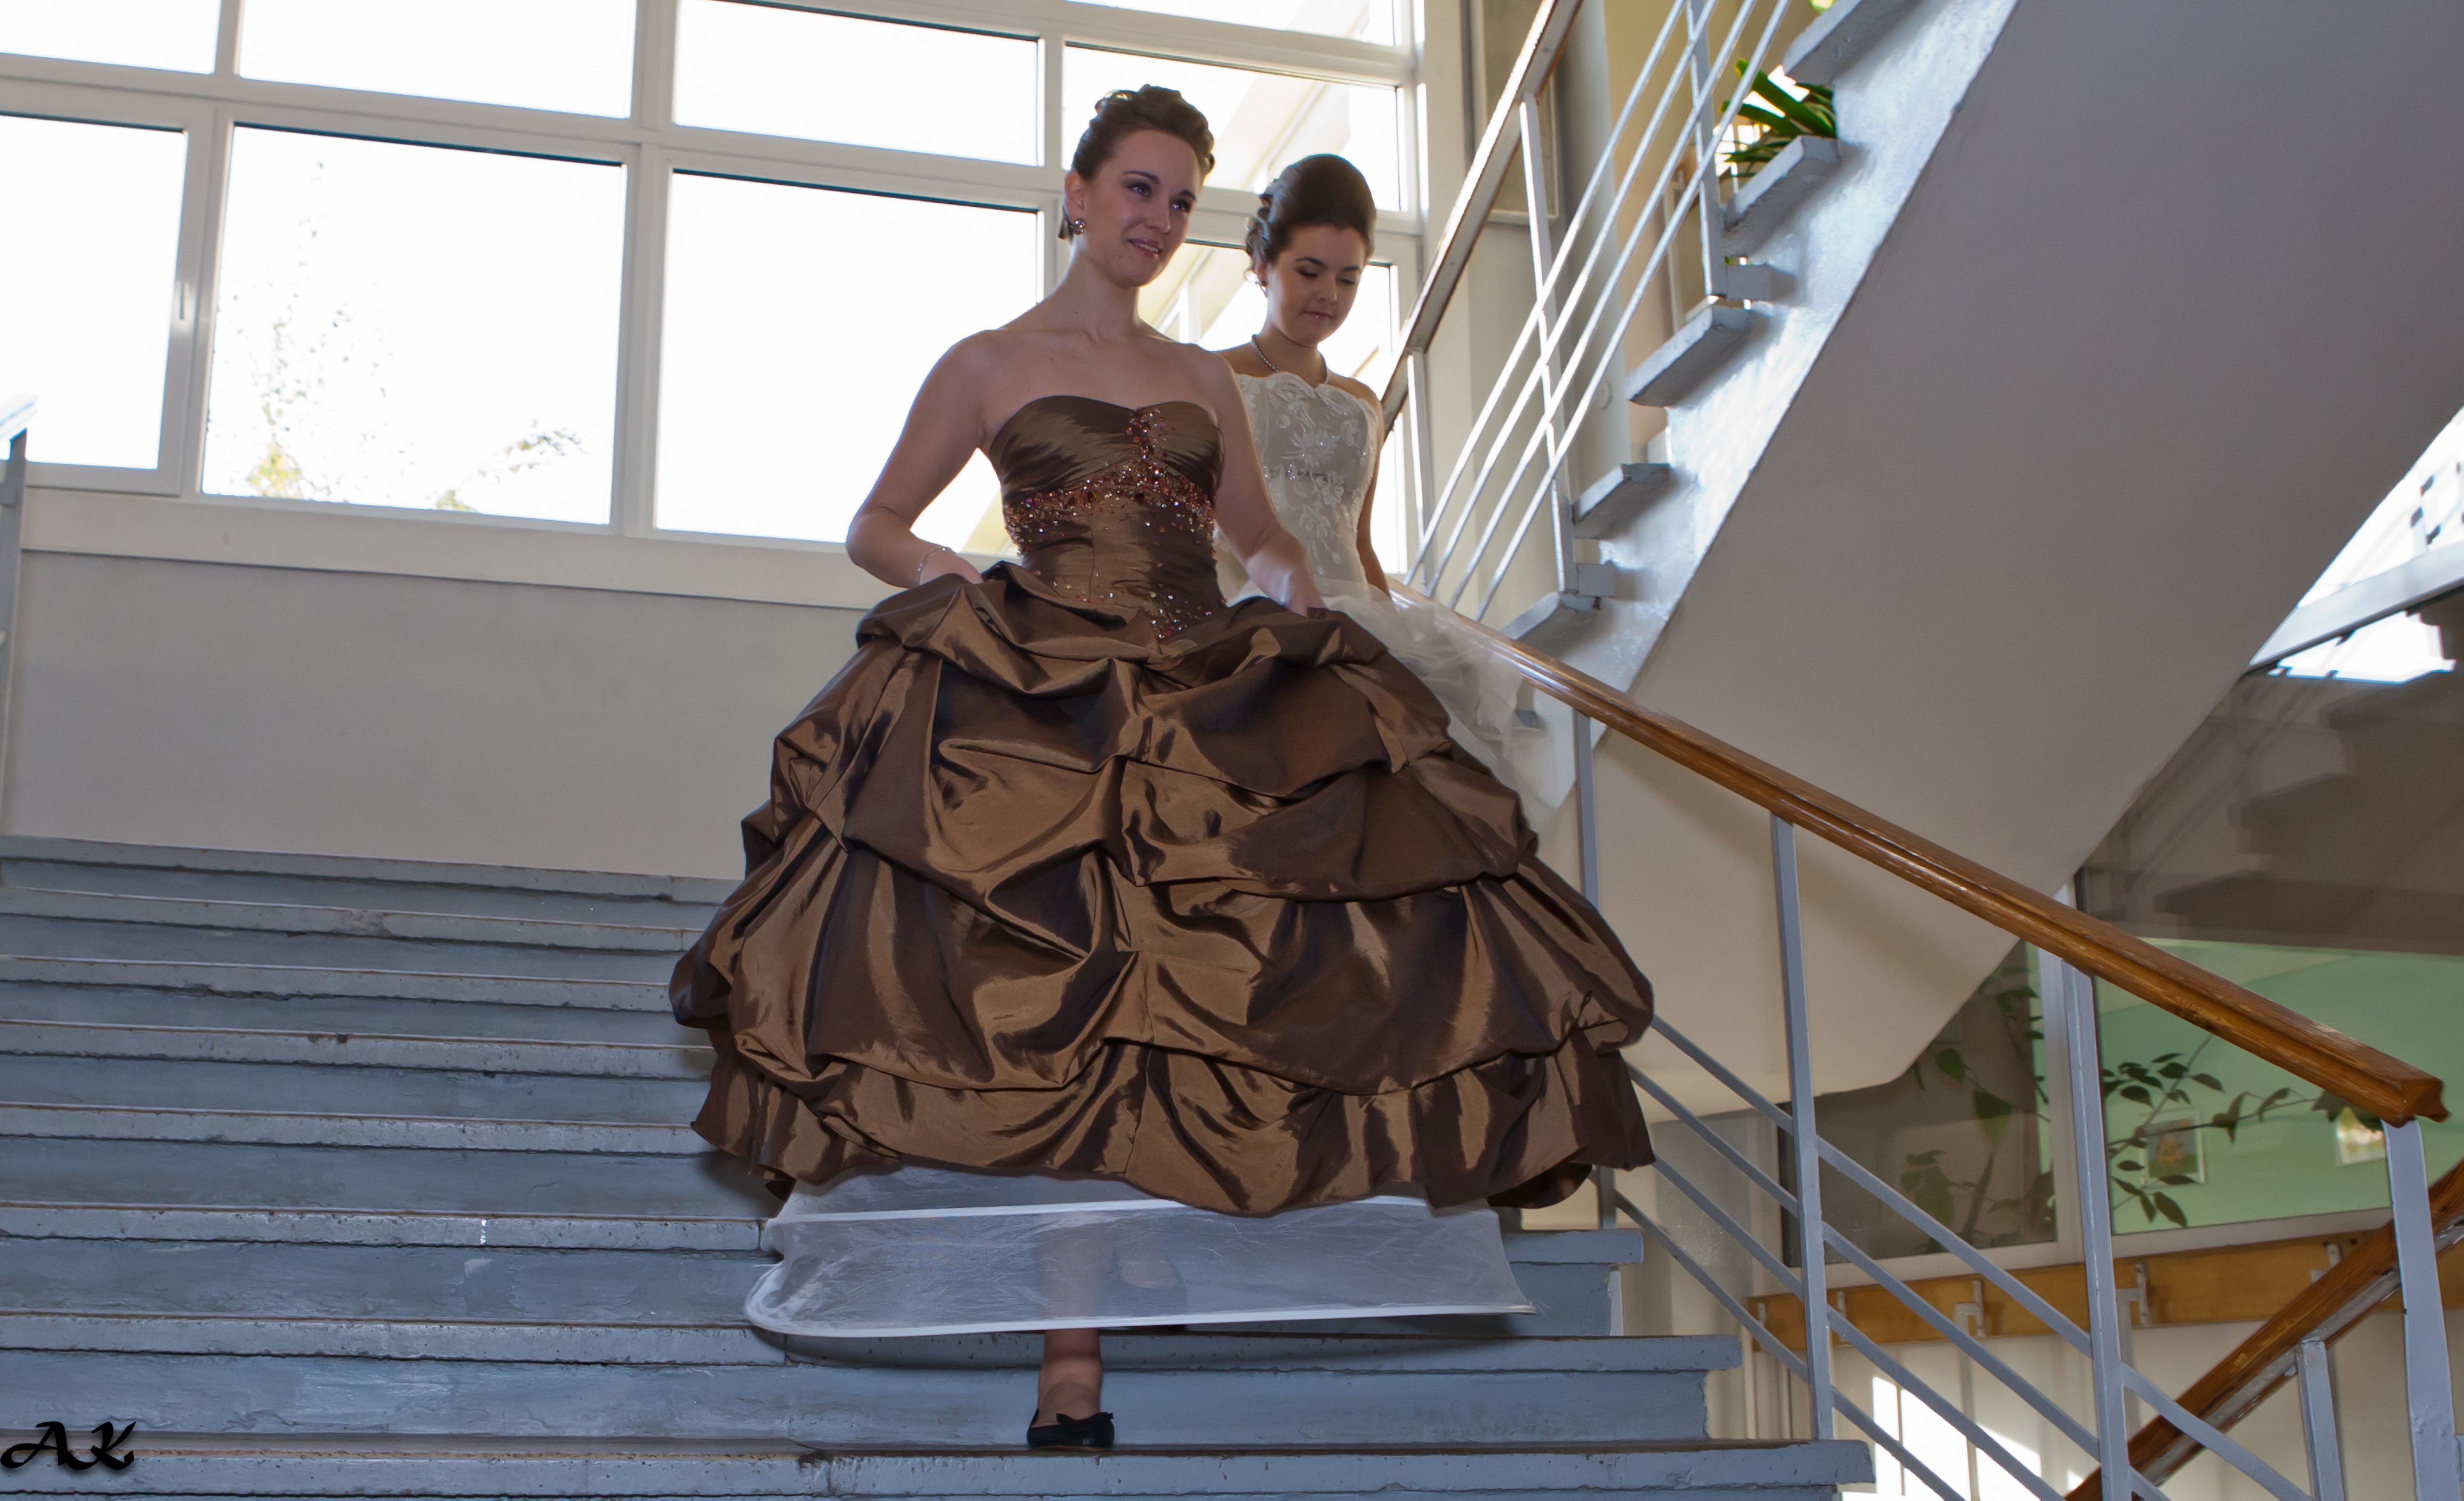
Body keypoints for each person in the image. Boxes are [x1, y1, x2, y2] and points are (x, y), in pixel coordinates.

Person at [671, 87, 1654, 1454]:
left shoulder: (1201, 379)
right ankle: (1069, 1364)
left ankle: (1158, 1248)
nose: (1158, 217)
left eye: (1182, 199)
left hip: (1203, 689)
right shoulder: (986, 362)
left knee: (1248, 985)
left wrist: (1297, 593)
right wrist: (955, 578)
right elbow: (874, 524)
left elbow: (1259, 533)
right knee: (1063, 1020)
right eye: (1138, 188)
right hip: (1047, 697)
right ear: (1077, 195)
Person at [1216, 154, 1568, 823]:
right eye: (1309, 271)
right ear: (1261, 264)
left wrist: (1395, 644)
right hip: (1257, 620)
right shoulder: (1213, 379)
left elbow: (1358, 541)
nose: (1329, 294)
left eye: (1348, 278)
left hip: (1358, 621)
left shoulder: (1363, 404)